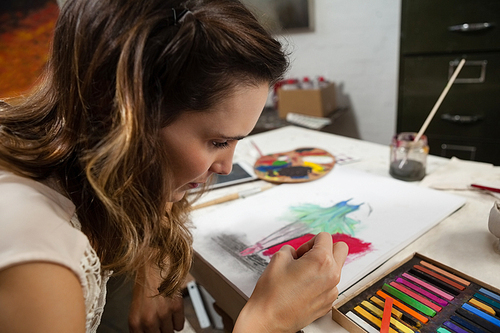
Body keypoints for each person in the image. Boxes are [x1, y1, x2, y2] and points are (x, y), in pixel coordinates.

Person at [0, 0, 349, 332]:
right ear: (125, 119)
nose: (227, 166)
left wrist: (152, 258)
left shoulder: (79, 147)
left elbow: (158, 194)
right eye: (218, 142)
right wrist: (267, 320)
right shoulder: (38, 255)